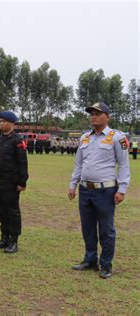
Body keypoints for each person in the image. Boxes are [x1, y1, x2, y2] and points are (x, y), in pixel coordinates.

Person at [69, 102, 130, 279]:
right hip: (85, 189)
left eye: (97, 113)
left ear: (107, 117)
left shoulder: (116, 137)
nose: (93, 116)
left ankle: (105, 265)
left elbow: (124, 165)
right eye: (91, 114)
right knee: (87, 228)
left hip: (106, 191)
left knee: (106, 229)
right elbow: (79, 163)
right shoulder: (84, 138)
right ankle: (90, 260)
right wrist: (73, 184)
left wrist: (122, 189)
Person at [0, 111, 28, 253]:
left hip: (11, 183)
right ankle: (4, 237)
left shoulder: (17, 141)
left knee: (12, 211)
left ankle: (14, 240)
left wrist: (22, 182)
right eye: (0, 121)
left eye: (4, 121)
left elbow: (22, 163)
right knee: (1, 210)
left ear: (12, 123)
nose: (1, 124)